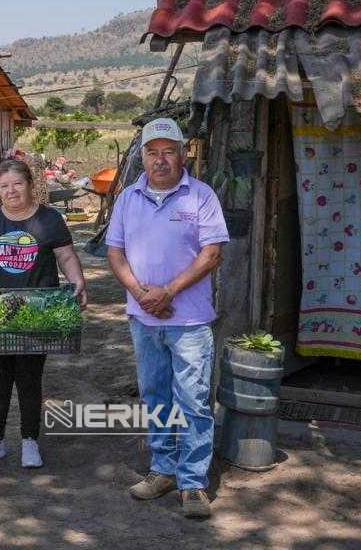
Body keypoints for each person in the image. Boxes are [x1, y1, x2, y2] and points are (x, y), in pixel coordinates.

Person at [107, 118, 227, 520]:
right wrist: (142, 295)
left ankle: (193, 482)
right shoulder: (127, 198)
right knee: (155, 395)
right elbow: (116, 254)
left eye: (168, 151)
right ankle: (162, 470)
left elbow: (211, 254)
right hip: (144, 318)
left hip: (189, 319)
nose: (160, 160)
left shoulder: (202, 195)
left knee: (192, 399)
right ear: (142, 156)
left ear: (183, 154)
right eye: (152, 152)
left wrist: (167, 292)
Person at [0, 158, 88, 470]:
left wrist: (78, 280)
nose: (11, 190)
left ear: (30, 185)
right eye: (4, 186)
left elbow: (66, 256)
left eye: (17, 183)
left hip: (38, 313)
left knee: (30, 378)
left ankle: (30, 441)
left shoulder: (50, 219)